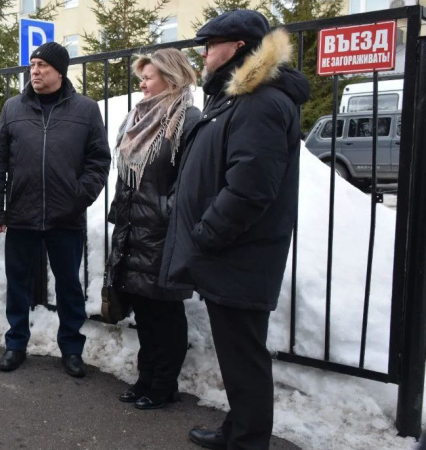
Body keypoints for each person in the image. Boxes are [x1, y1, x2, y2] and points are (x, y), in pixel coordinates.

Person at [158, 10, 309, 450]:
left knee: (245, 358)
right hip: (230, 254)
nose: (204, 54)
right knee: (238, 356)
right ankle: (237, 430)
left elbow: (250, 187)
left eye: (211, 45)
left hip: (240, 254)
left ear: (238, 47)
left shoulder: (261, 102)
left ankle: (248, 441)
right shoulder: (236, 98)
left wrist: (207, 233)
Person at [0, 42, 111, 378]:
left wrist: (78, 197)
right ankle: (15, 343)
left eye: (42, 65)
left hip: (66, 217)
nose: (35, 71)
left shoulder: (86, 110)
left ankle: (71, 348)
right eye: (33, 65)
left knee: (69, 286)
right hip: (22, 213)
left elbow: (99, 160)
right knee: (18, 284)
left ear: (60, 71)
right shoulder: (13, 108)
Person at [106, 49, 201, 409]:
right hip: (134, 228)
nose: (142, 84)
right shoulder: (138, 117)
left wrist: (166, 211)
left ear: (171, 77)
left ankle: (164, 385)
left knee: (165, 312)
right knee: (144, 310)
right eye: (141, 78)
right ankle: (145, 377)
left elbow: (192, 180)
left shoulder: (187, 119)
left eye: (149, 77)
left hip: (163, 232)